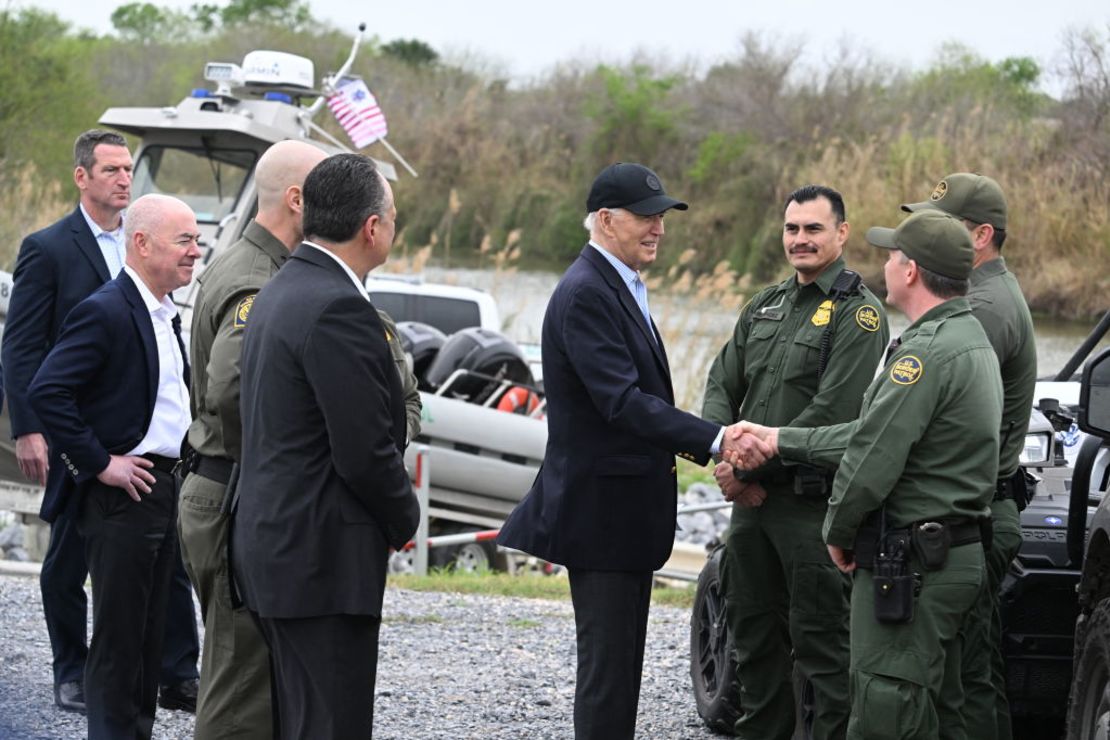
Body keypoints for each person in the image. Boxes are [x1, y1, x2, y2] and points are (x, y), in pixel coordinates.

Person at [497, 162, 751, 740]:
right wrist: (715, 439)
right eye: (646, 216)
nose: (658, 227)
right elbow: (621, 402)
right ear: (606, 220)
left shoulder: (620, 284)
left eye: (662, 216)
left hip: (624, 518)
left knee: (619, 674)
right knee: (608, 679)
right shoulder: (587, 291)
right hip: (601, 518)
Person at [728, 209, 1003, 739]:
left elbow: (871, 460)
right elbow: (867, 433)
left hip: (916, 563)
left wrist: (838, 532)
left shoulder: (923, 355)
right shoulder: (966, 339)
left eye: (894, 255)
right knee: (931, 714)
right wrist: (780, 437)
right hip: (949, 553)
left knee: (885, 711)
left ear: (912, 271)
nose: (887, 263)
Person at [0, 129, 200, 715]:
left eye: (127, 168)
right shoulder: (49, 248)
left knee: (166, 558)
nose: (122, 177)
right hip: (79, 435)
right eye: (110, 168)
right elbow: (24, 345)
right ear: (81, 177)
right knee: (68, 556)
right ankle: (71, 669)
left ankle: (175, 672)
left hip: (140, 436)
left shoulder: (146, 243)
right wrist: (30, 427)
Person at [231, 153, 420, 738]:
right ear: (372, 228)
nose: (392, 227)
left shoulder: (283, 285)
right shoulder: (338, 307)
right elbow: (363, 450)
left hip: (276, 547)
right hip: (319, 560)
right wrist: (403, 517)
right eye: (392, 217)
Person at [701, 185, 888, 739]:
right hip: (751, 512)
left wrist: (744, 470)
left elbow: (832, 411)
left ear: (842, 233)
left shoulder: (861, 315)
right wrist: (721, 446)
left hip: (810, 511)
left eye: (813, 229)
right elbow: (721, 382)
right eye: (792, 229)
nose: (800, 240)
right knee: (753, 644)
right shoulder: (765, 305)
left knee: (824, 655)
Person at [177, 139, 326, 739]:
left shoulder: (256, 265)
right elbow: (235, 393)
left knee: (246, 673)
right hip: (235, 491)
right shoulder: (256, 280)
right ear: (297, 199)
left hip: (228, 487)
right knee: (241, 689)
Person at [902, 173, 1036, 740]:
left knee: (964, 681)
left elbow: (928, 424)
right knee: (968, 672)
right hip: (978, 509)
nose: (925, 233)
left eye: (944, 223)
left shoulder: (981, 309)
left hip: (974, 516)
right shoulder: (986, 297)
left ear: (981, 235)